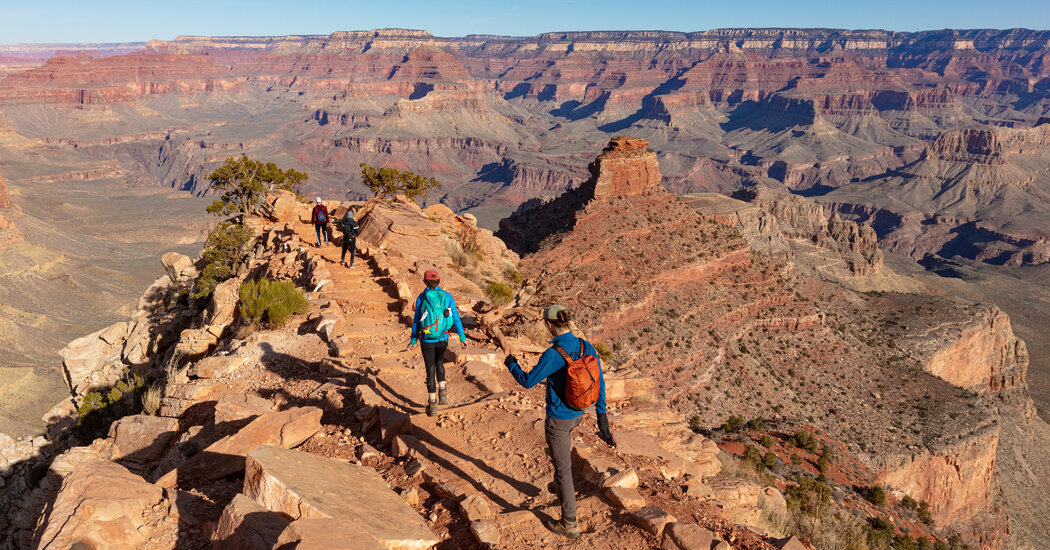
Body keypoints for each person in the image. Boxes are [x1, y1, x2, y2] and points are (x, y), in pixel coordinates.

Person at [504, 305, 611, 540]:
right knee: (560, 459)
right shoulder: (585, 345)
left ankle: (569, 523)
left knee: (563, 469)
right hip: (579, 414)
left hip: (558, 420)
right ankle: (558, 484)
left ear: (549, 324)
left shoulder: (553, 354)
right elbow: (599, 380)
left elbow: (528, 381)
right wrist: (602, 416)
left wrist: (511, 364)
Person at [408, 270, 466, 416]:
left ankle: (432, 404)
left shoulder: (422, 298)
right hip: (442, 338)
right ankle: (443, 392)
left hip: (427, 339)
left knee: (430, 368)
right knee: (440, 363)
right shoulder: (447, 297)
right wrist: (462, 338)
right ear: (439, 281)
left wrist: (413, 340)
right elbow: (456, 318)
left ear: (425, 282)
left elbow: (416, 321)